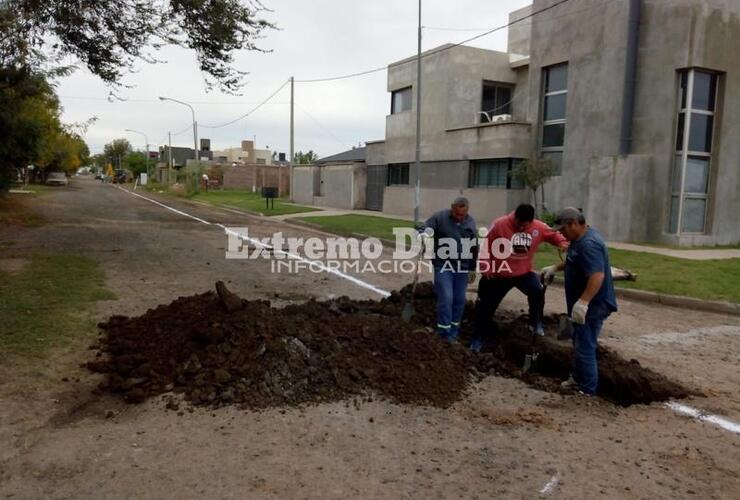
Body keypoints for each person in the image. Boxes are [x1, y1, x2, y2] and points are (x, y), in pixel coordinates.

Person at [541, 207, 617, 395]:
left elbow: (597, 276)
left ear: (574, 223)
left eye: (563, 230)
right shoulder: (578, 239)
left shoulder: (589, 243)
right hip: (584, 303)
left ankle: (587, 392)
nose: (561, 234)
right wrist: (555, 267)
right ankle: (577, 378)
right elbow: (575, 260)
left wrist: (583, 302)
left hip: (594, 305)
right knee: (579, 341)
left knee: (585, 346)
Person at [471, 204, 568, 352]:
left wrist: (562, 243)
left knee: (537, 292)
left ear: (531, 221)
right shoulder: (500, 224)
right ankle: (478, 338)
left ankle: (535, 323)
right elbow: (486, 245)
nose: (521, 227)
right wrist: (486, 266)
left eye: (525, 225)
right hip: (499, 273)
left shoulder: (539, 227)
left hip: (523, 273)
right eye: (519, 224)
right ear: (515, 217)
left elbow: (555, 236)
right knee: (486, 307)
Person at [419, 197, 478, 342]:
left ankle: (453, 331)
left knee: (459, 300)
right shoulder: (440, 217)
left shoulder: (470, 222)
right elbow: (425, 227)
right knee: (446, 297)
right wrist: (423, 234)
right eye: (457, 214)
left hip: (462, 268)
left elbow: (474, 247)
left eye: (462, 215)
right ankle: (444, 333)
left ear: (467, 212)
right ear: (452, 208)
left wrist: (472, 268)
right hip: (443, 266)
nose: (459, 217)